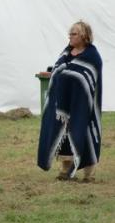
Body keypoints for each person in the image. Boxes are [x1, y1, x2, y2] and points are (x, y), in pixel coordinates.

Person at [37, 21, 102, 183]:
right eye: (70, 33)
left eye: (74, 34)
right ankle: (65, 169)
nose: (70, 37)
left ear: (84, 36)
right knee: (64, 135)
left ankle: (89, 173)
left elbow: (89, 79)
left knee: (84, 133)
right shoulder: (66, 53)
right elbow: (59, 71)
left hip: (83, 105)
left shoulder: (92, 56)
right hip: (63, 106)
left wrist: (68, 74)